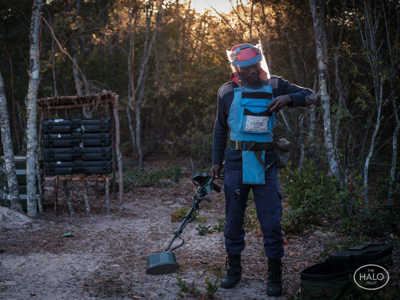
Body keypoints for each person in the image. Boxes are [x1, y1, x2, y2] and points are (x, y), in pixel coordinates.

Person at [210, 43, 315, 297]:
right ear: (237, 68)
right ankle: (234, 270)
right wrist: (216, 160)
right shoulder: (226, 91)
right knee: (233, 221)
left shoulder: (276, 85)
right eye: (248, 68)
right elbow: (220, 128)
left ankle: (274, 275)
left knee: (271, 221)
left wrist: (289, 98)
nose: (254, 71)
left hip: (265, 163)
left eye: (257, 65)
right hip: (235, 163)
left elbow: (311, 96)